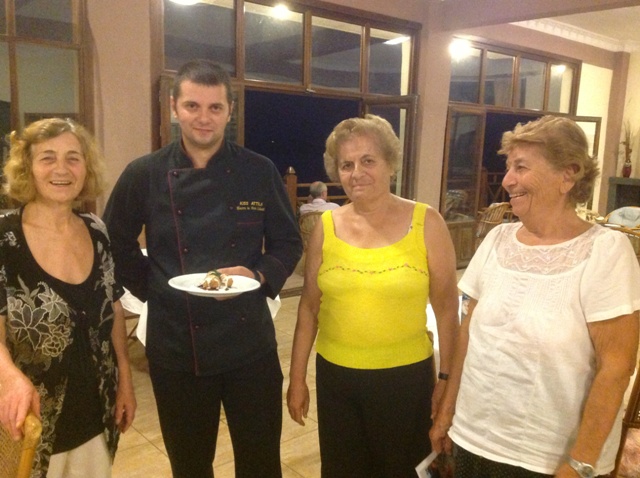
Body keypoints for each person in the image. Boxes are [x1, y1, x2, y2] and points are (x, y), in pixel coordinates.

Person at [102, 59, 302, 478]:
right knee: (190, 466)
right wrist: (155, 288)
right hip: (177, 347)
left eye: (215, 107)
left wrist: (258, 276)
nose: (204, 117)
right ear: (174, 107)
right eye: (193, 106)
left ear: (230, 111)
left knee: (261, 463)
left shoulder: (259, 171)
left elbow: (288, 242)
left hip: (249, 342)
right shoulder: (145, 173)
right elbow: (114, 241)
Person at [430, 115, 640, 478]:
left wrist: (579, 464)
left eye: (521, 167)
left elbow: (617, 367)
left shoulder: (605, 251)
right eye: (509, 167)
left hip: (545, 459)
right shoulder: (498, 240)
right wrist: (447, 413)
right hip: (472, 438)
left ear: (568, 175)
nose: (507, 180)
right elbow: (468, 334)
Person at [286, 114, 460, 478]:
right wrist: (297, 378)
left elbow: (447, 309)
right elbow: (308, 309)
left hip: (405, 382)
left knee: (403, 471)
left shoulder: (426, 222)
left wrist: (446, 380)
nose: (357, 173)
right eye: (346, 164)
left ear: (390, 164)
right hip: (336, 379)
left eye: (368, 160)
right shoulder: (326, 227)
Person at [0, 118, 136, 477]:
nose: (61, 169)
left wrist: (125, 376)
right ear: (27, 167)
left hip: (96, 412)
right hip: (27, 422)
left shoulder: (96, 229)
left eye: (73, 158)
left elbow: (113, 306)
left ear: (85, 168)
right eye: (47, 157)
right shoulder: (4, 237)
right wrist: (8, 375)